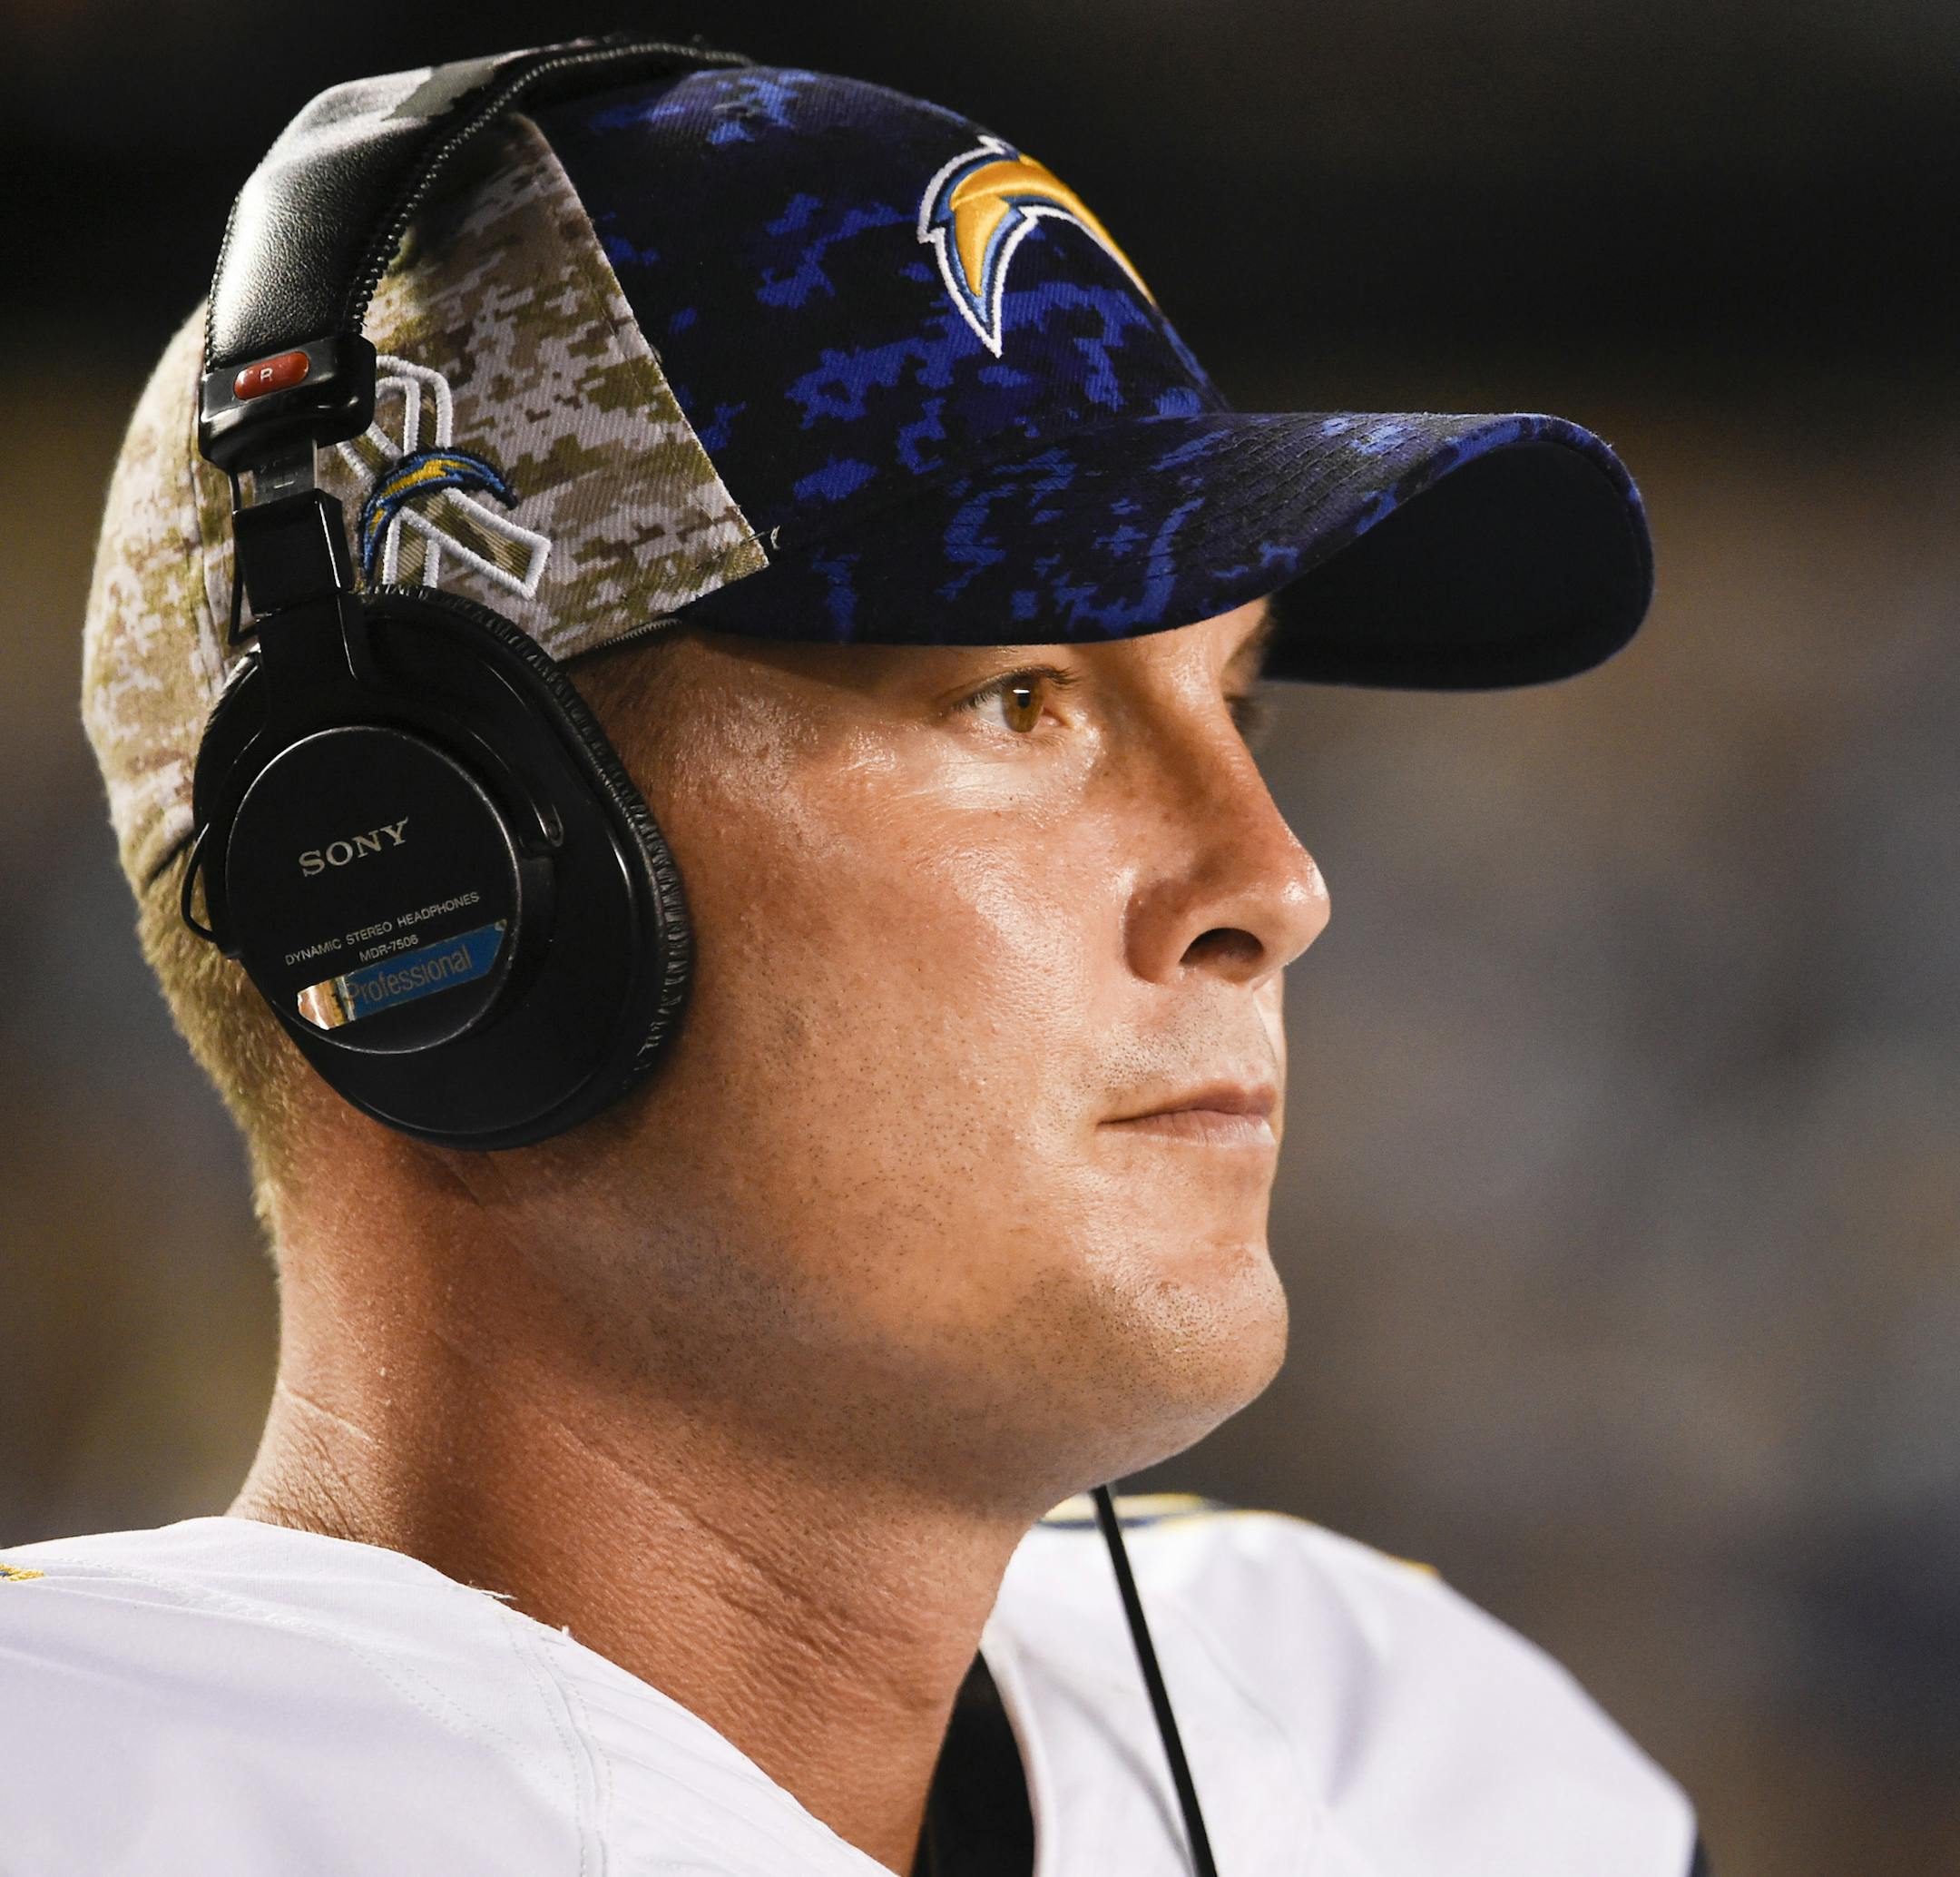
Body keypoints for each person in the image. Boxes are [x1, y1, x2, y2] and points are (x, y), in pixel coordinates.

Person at [4, 41, 1705, 1877]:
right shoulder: (82, 1783)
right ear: (429, 871)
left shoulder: (1401, 1750)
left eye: (1238, 701)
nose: (1273, 882)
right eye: (1016, 696)